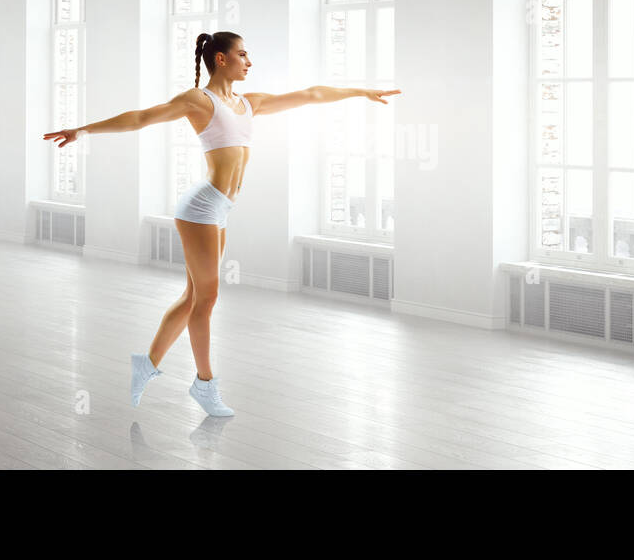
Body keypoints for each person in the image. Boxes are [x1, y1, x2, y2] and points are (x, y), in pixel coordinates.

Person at [43, 31, 399, 416]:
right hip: (200, 209)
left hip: (219, 209)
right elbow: (142, 118)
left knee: (194, 297)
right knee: (208, 298)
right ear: (221, 59)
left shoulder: (249, 104)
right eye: (243, 54)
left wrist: (362, 92)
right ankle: (204, 384)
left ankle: (146, 364)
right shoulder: (199, 100)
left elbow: (311, 94)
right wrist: (82, 130)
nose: (249, 61)